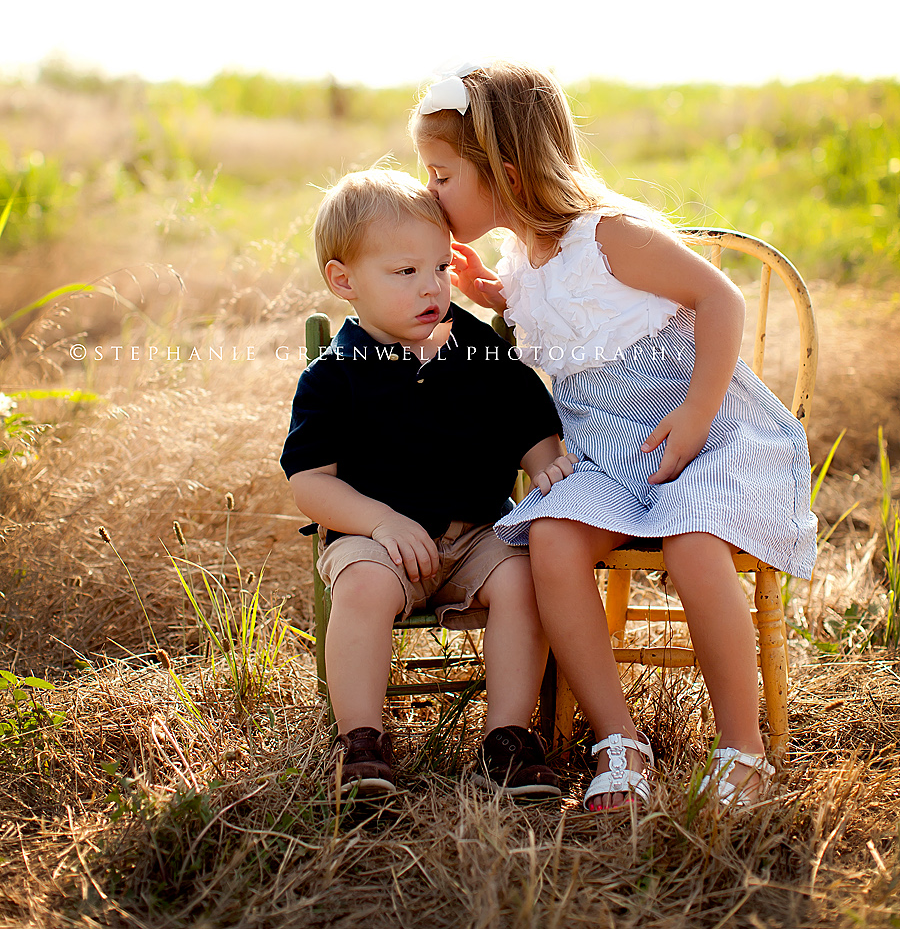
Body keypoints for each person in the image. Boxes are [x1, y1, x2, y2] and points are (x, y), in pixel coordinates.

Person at [412, 60, 817, 813]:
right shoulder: (521, 256)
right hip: (606, 448)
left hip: (703, 433)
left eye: (440, 177)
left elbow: (719, 299)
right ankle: (618, 738)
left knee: (696, 545)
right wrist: (495, 296)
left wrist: (695, 416)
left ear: (502, 174)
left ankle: (742, 748)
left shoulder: (609, 235)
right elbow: (563, 312)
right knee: (557, 542)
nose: (428, 193)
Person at [281, 167, 570, 801]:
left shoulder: (475, 348)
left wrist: (545, 455)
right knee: (360, 587)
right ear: (344, 281)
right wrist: (380, 522)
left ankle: (507, 741)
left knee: (525, 579)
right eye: (405, 272)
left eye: (439, 268)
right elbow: (311, 484)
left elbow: (526, 414)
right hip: (376, 539)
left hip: (477, 536)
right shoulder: (336, 376)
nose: (431, 287)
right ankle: (361, 742)